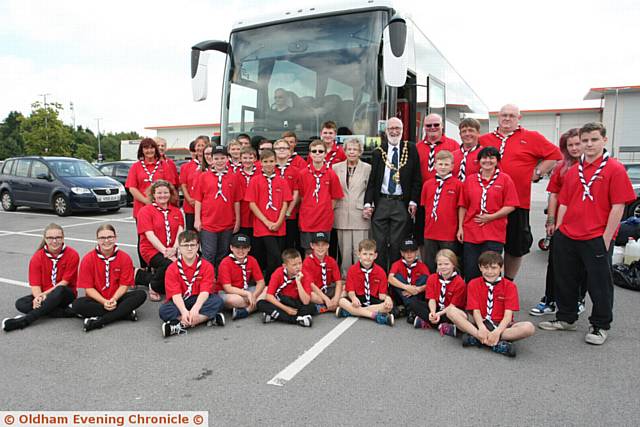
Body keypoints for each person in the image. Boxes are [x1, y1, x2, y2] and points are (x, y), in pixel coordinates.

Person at [539, 122, 636, 345]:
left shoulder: (615, 168)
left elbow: (618, 206)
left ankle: (600, 325)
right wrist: (560, 231)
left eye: (593, 139)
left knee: (599, 283)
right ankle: (566, 318)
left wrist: (606, 238)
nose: (589, 144)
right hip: (568, 235)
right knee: (565, 279)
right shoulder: (573, 172)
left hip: (596, 237)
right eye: (585, 140)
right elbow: (563, 203)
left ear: (604, 140)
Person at [479, 104, 562, 280]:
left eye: (511, 115)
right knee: (487, 246)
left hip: (517, 203)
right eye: (503, 115)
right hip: (488, 203)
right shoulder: (484, 139)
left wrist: (537, 172)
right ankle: (487, 283)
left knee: (515, 246)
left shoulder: (531, 137)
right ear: (498, 117)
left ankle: (508, 282)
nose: (507, 118)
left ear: (519, 118)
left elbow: (555, 154)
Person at [530, 129, 586, 316]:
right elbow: (554, 195)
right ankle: (550, 300)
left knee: (581, 265)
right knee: (555, 264)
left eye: (578, 143)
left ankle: (578, 299)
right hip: (562, 222)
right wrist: (551, 221)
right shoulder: (561, 167)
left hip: (586, 224)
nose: (574, 148)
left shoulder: (593, 167)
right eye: (570, 145)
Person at [447, 251, 535, 357]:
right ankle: (489, 341)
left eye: (494, 268)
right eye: (486, 267)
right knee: (451, 311)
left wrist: (497, 332)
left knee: (529, 328)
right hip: (479, 322)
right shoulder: (473, 283)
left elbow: (507, 316)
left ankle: (479, 339)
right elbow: (475, 310)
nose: (489, 272)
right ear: (480, 268)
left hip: (501, 325)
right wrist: (481, 328)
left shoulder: (510, 286)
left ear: (501, 268)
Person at [364, 117, 421, 270]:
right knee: (379, 243)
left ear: (402, 130)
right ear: (386, 131)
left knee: (397, 243)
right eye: (391, 129)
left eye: (398, 128)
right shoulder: (378, 152)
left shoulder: (411, 149)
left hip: (401, 202)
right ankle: (381, 279)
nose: (394, 131)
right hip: (382, 201)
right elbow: (373, 180)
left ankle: (395, 278)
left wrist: (413, 201)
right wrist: (368, 203)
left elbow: (417, 178)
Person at [2, 224, 80, 332]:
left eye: (58, 237)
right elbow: (35, 284)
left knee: (59, 290)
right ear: (45, 239)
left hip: (65, 294)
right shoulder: (37, 257)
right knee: (20, 303)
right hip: (45, 295)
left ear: (63, 238)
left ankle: (26, 320)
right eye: (50, 238)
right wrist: (38, 297)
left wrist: (43, 295)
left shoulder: (73, 254)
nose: (54, 241)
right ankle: (68, 311)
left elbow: (64, 282)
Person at [457, 146, 519, 280]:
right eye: (484, 157)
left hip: (494, 232)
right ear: (479, 161)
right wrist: (460, 227)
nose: (488, 161)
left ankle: (492, 299)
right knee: (471, 270)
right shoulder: (470, 180)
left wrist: (491, 217)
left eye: (492, 158)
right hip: (471, 231)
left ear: (497, 160)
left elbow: (511, 205)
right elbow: (463, 205)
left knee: (491, 270)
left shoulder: (505, 179)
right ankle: (472, 300)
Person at [72, 224, 147, 332]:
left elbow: (124, 285)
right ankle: (124, 313)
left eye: (110, 237)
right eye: (102, 238)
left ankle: (100, 321)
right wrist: (104, 301)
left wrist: (114, 299)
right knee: (77, 305)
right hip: (97, 300)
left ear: (115, 238)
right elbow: (88, 288)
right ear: (97, 239)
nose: (106, 241)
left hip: (117, 298)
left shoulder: (124, 258)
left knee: (140, 295)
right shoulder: (88, 259)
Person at [159, 230, 225, 338]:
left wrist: (195, 309)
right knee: (164, 311)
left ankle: (180, 325)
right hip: (182, 299)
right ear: (179, 248)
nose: (189, 248)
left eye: (192, 245)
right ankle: (207, 318)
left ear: (198, 246)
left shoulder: (207, 266)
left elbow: (204, 292)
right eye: (185, 245)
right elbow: (175, 295)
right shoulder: (172, 268)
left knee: (218, 301)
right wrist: (184, 311)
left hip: (199, 298)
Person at [125, 138, 175, 268]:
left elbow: (170, 186)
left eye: (152, 147)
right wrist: (146, 201)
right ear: (142, 150)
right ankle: (144, 267)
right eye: (146, 148)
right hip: (142, 209)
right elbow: (132, 187)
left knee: (161, 237)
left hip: (161, 209)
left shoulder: (164, 165)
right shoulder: (136, 166)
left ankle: (159, 265)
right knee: (144, 239)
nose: (149, 150)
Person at [246, 148, 292, 281]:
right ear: (260, 163)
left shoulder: (282, 181)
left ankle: (274, 283)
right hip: (263, 225)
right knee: (275, 255)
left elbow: (285, 203)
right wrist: (266, 222)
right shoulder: (255, 181)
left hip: (279, 225)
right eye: (265, 161)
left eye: (271, 161)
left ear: (276, 162)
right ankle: (267, 283)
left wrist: (278, 222)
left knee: (276, 258)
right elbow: (252, 204)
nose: (268, 164)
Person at [135, 180, 184, 301]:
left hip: (172, 249)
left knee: (185, 265)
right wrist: (165, 252)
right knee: (169, 264)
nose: (163, 195)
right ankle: (153, 286)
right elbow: (149, 235)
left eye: (166, 192)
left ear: (170, 194)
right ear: (153, 194)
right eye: (159, 193)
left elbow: (180, 232)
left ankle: (140, 276)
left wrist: (174, 249)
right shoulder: (145, 211)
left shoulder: (176, 211)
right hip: (151, 250)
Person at [193, 145, 242, 267]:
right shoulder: (204, 176)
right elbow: (198, 199)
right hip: (208, 223)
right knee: (209, 254)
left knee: (223, 253)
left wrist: (237, 220)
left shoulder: (234, 177)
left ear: (227, 159)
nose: (219, 161)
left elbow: (236, 201)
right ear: (211, 159)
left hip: (227, 223)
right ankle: (208, 280)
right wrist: (197, 219)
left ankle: (221, 280)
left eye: (222, 158)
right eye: (216, 158)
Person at [333, 137, 372, 276]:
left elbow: (371, 190)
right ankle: (345, 277)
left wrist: (370, 207)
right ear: (344, 151)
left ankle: (361, 276)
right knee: (344, 251)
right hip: (342, 213)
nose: (352, 152)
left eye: (355, 149)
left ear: (360, 152)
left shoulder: (368, 168)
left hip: (360, 214)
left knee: (360, 249)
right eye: (349, 149)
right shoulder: (336, 168)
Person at [420, 150, 463, 272]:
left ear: (452, 166)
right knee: (429, 264)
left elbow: (461, 207)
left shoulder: (458, 185)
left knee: (449, 264)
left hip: (448, 232)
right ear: (435, 166)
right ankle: (431, 289)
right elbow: (424, 207)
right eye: (440, 164)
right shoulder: (428, 184)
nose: (443, 167)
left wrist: (460, 228)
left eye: (446, 164)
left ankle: (451, 289)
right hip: (430, 231)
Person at [298, 139, 344, 253]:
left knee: (323, 250)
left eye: (320, 151)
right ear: (309, 154)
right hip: (307, 220)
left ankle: (323, 271)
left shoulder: (331, 174)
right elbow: (302, 196)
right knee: (308, 251)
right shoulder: (302, 174)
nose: (317, 153)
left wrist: (325, 210)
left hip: (324, 220)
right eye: (314, 151)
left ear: (325, 154)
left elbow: (335, 197)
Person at [336, 239, 394, 326]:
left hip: (373, 301)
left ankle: (351, 312)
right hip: (358, 300)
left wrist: (388, 299)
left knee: (388, 306)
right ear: (359, 254)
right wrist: (353, 298)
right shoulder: (352, 270)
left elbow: (382, 295)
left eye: (371, 254)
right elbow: (351, 292)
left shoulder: (381, 271)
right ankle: (374, 316)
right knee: (341, 301)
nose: (368, 257)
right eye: (364, 254)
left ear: (375, 256)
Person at [411, 249, 465, 336]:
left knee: (455, 316)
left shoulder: (459, 282)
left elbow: (452, 306)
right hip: (436, 308)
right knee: (413, 303)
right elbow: (431, 299)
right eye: (440, 264)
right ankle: (443, 326)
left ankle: (428, 322)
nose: (443, 267)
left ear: (453, 265)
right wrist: (432, 313)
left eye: (446, 264)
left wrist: (438, 314)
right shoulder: (432, 278)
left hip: (450, 312)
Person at [256, 248, 316, 327]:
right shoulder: (278, 272)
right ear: (285, 266)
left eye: (300, 263)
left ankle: (275, 315)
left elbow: (305, 301)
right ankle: (297, 320)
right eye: (294, 265)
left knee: (311, 307)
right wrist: (286, 309)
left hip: (295, 302)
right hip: (281, 301)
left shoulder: (305, 274)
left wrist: (298, 282)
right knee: (261, 304)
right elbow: (269, 296)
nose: (298, 267)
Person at [218, 234, 266, 320]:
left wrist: (254, 295)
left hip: (245, 289)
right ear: (231, 248)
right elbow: (227, 288)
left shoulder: (252, 260)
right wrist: (247, 294)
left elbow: (261, 282)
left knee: (268, 290)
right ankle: (258, 305)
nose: (241, 250)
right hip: (228, 293)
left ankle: (246, 311)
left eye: (244, 247)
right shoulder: (225, 262)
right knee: (232, 300)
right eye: (237, 247)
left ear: (249, 248)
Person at [387, 239, 429, 322]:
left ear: (416, 252)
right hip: (400, 295)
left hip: (416, 295)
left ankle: (405, 309)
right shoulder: (397, 264)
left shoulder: (422, 266)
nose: (409, 254)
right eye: (406, 252)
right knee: (396, 277)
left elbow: (430, 284)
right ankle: (411, 310)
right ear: (402, 253)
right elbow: (390, 278)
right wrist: (407, 287)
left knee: (424, 278)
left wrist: (417, 289)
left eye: (412, 251)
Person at [273, 138, 302, 252]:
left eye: (284, 148)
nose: (281, 150)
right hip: (272, 215)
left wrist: (288, 211)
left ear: (290, 152)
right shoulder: (269, 170)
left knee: (288, 245)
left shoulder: (296, 171)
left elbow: (297, 193)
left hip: (290, 215)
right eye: (278, 148)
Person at [303, 232, 343, 313]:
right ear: (312, 246)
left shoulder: (331, 261)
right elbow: (311, 285)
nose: (320, 248)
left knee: (345, 289)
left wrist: (336, 298)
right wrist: (326, 299)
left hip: (328, 289)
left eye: (323, 245)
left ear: (328, 246)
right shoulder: (307, 261)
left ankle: (327, 306)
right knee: (310, 296)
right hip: (316, 292)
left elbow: (338, 282)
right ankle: (331, 306)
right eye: (317, 245)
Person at [180, 136, 207, 231]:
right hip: (190, 206)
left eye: (203, 145)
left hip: (206, 207)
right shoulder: (186, 166)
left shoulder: (210, 166)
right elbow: (183, 184)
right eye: (198, 145)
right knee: (191, 235)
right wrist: (189, 199)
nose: (200, 148)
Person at [236, 146, 260, 248]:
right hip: (243, 215)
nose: (247, 161)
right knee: (243, 243)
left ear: (255, 159)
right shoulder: (236, 175)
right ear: (240, 159)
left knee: (256, 246)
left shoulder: (260, 173)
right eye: (245, 158)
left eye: (250, 158)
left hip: (257, 215)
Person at [453, 118, 483, 182]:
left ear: (478, 133)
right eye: (464, 131)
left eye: (471, 130)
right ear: (460, 134)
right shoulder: (452, 156)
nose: (467, 134)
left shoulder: (486, 155)